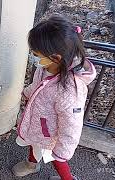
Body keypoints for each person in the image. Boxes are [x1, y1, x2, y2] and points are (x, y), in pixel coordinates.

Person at [13, 15, 97, 180]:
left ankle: (68, 179)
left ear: (56, 57)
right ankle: (31, 165)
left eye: (35, 53)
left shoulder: (70, 91)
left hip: (52, 134)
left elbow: (72, 126)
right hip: (37, 125)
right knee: (33, 143)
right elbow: (38, 86)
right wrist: (26, 93)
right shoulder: (47, 67)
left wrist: (63, 151)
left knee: (57, 160)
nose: (32, 56)